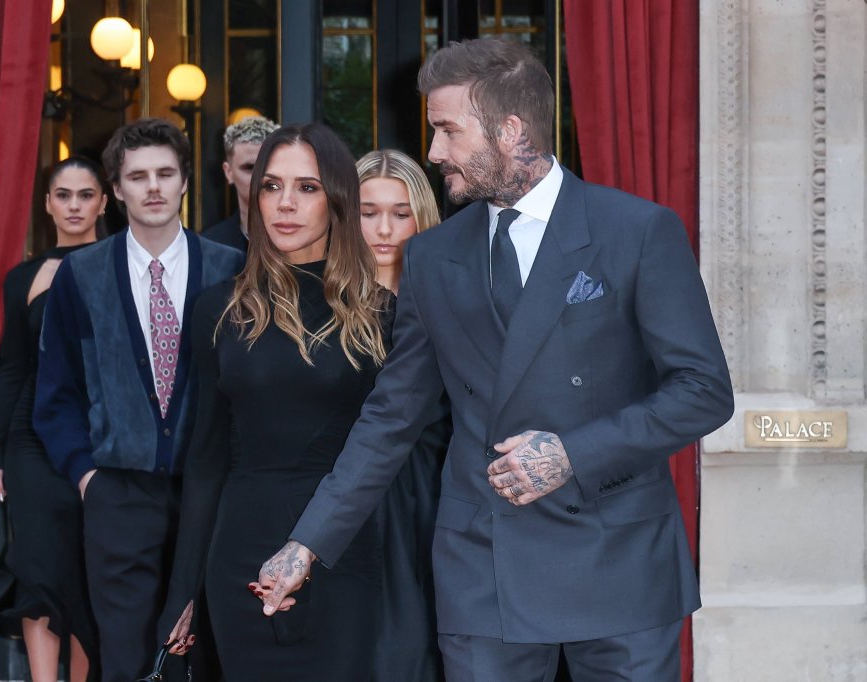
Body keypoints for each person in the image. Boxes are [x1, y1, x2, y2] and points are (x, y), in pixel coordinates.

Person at [258, 38, 735, 682]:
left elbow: (703, 391)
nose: (433, 152)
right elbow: (391, 417)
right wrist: (306, 542)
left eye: (447, 131)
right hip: (483, 562)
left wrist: (573, 453)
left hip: (616, 557)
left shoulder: (636, 231)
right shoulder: (432, 256)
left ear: (510, 130)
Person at [161, 123, 392, 682]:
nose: (285, 204)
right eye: (271, 186)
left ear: (337, 198)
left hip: (347, 555)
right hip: (240, 552)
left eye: (307, 188)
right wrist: (183, 589)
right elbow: (206, 458)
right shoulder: (220, 308)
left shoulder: (381, 313)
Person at [33, 118, 245, 681]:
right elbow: (55, 395)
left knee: (206, 651)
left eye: (164, 174)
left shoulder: (231, 270)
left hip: (212, 495)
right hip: (117, 495)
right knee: (125, 658)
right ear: (117, 188)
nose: (152, 187)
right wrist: (87, 478)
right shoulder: (80, 275)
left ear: (184, 183)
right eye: (138, 176)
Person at [0, 156, 105, 682]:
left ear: (104, 201)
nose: (74, 205)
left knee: (85, 575)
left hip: (99, 438)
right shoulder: (23, 278)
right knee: (36, 571)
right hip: (30, 443)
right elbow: (11, 371)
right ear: (48, 202)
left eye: (85, 194)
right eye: (64, 195)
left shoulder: (125, 265)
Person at [356, 149, 448, 682]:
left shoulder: (449, 292)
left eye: (401, 211)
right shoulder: (322, 301)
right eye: (369, 212)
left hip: (436, 494)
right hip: (354, 493)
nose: (385, 228)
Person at [202, 115, 280, 252]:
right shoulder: (209, 248)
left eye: (268, 166)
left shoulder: (305, 240)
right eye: (250, 168)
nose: (261, 177)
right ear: (228, 172)